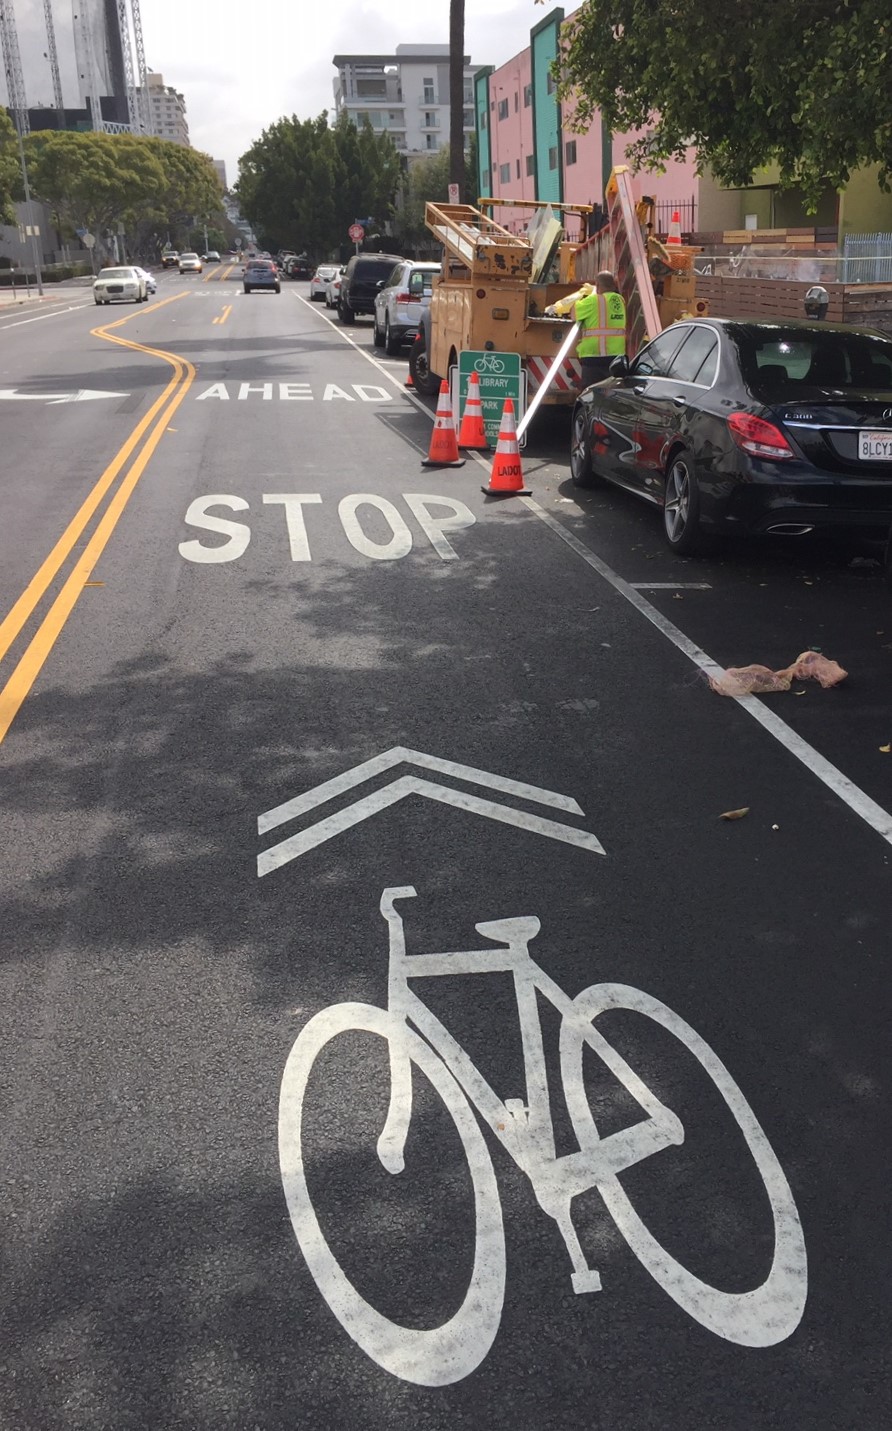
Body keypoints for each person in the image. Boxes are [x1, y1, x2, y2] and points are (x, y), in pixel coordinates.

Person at [574, 271, 627, 388]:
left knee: (590, 394)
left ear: (597, 285)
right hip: (616, 357)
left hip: (594, 357)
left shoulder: (593, 301)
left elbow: (574, 313)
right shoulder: (620, 300)